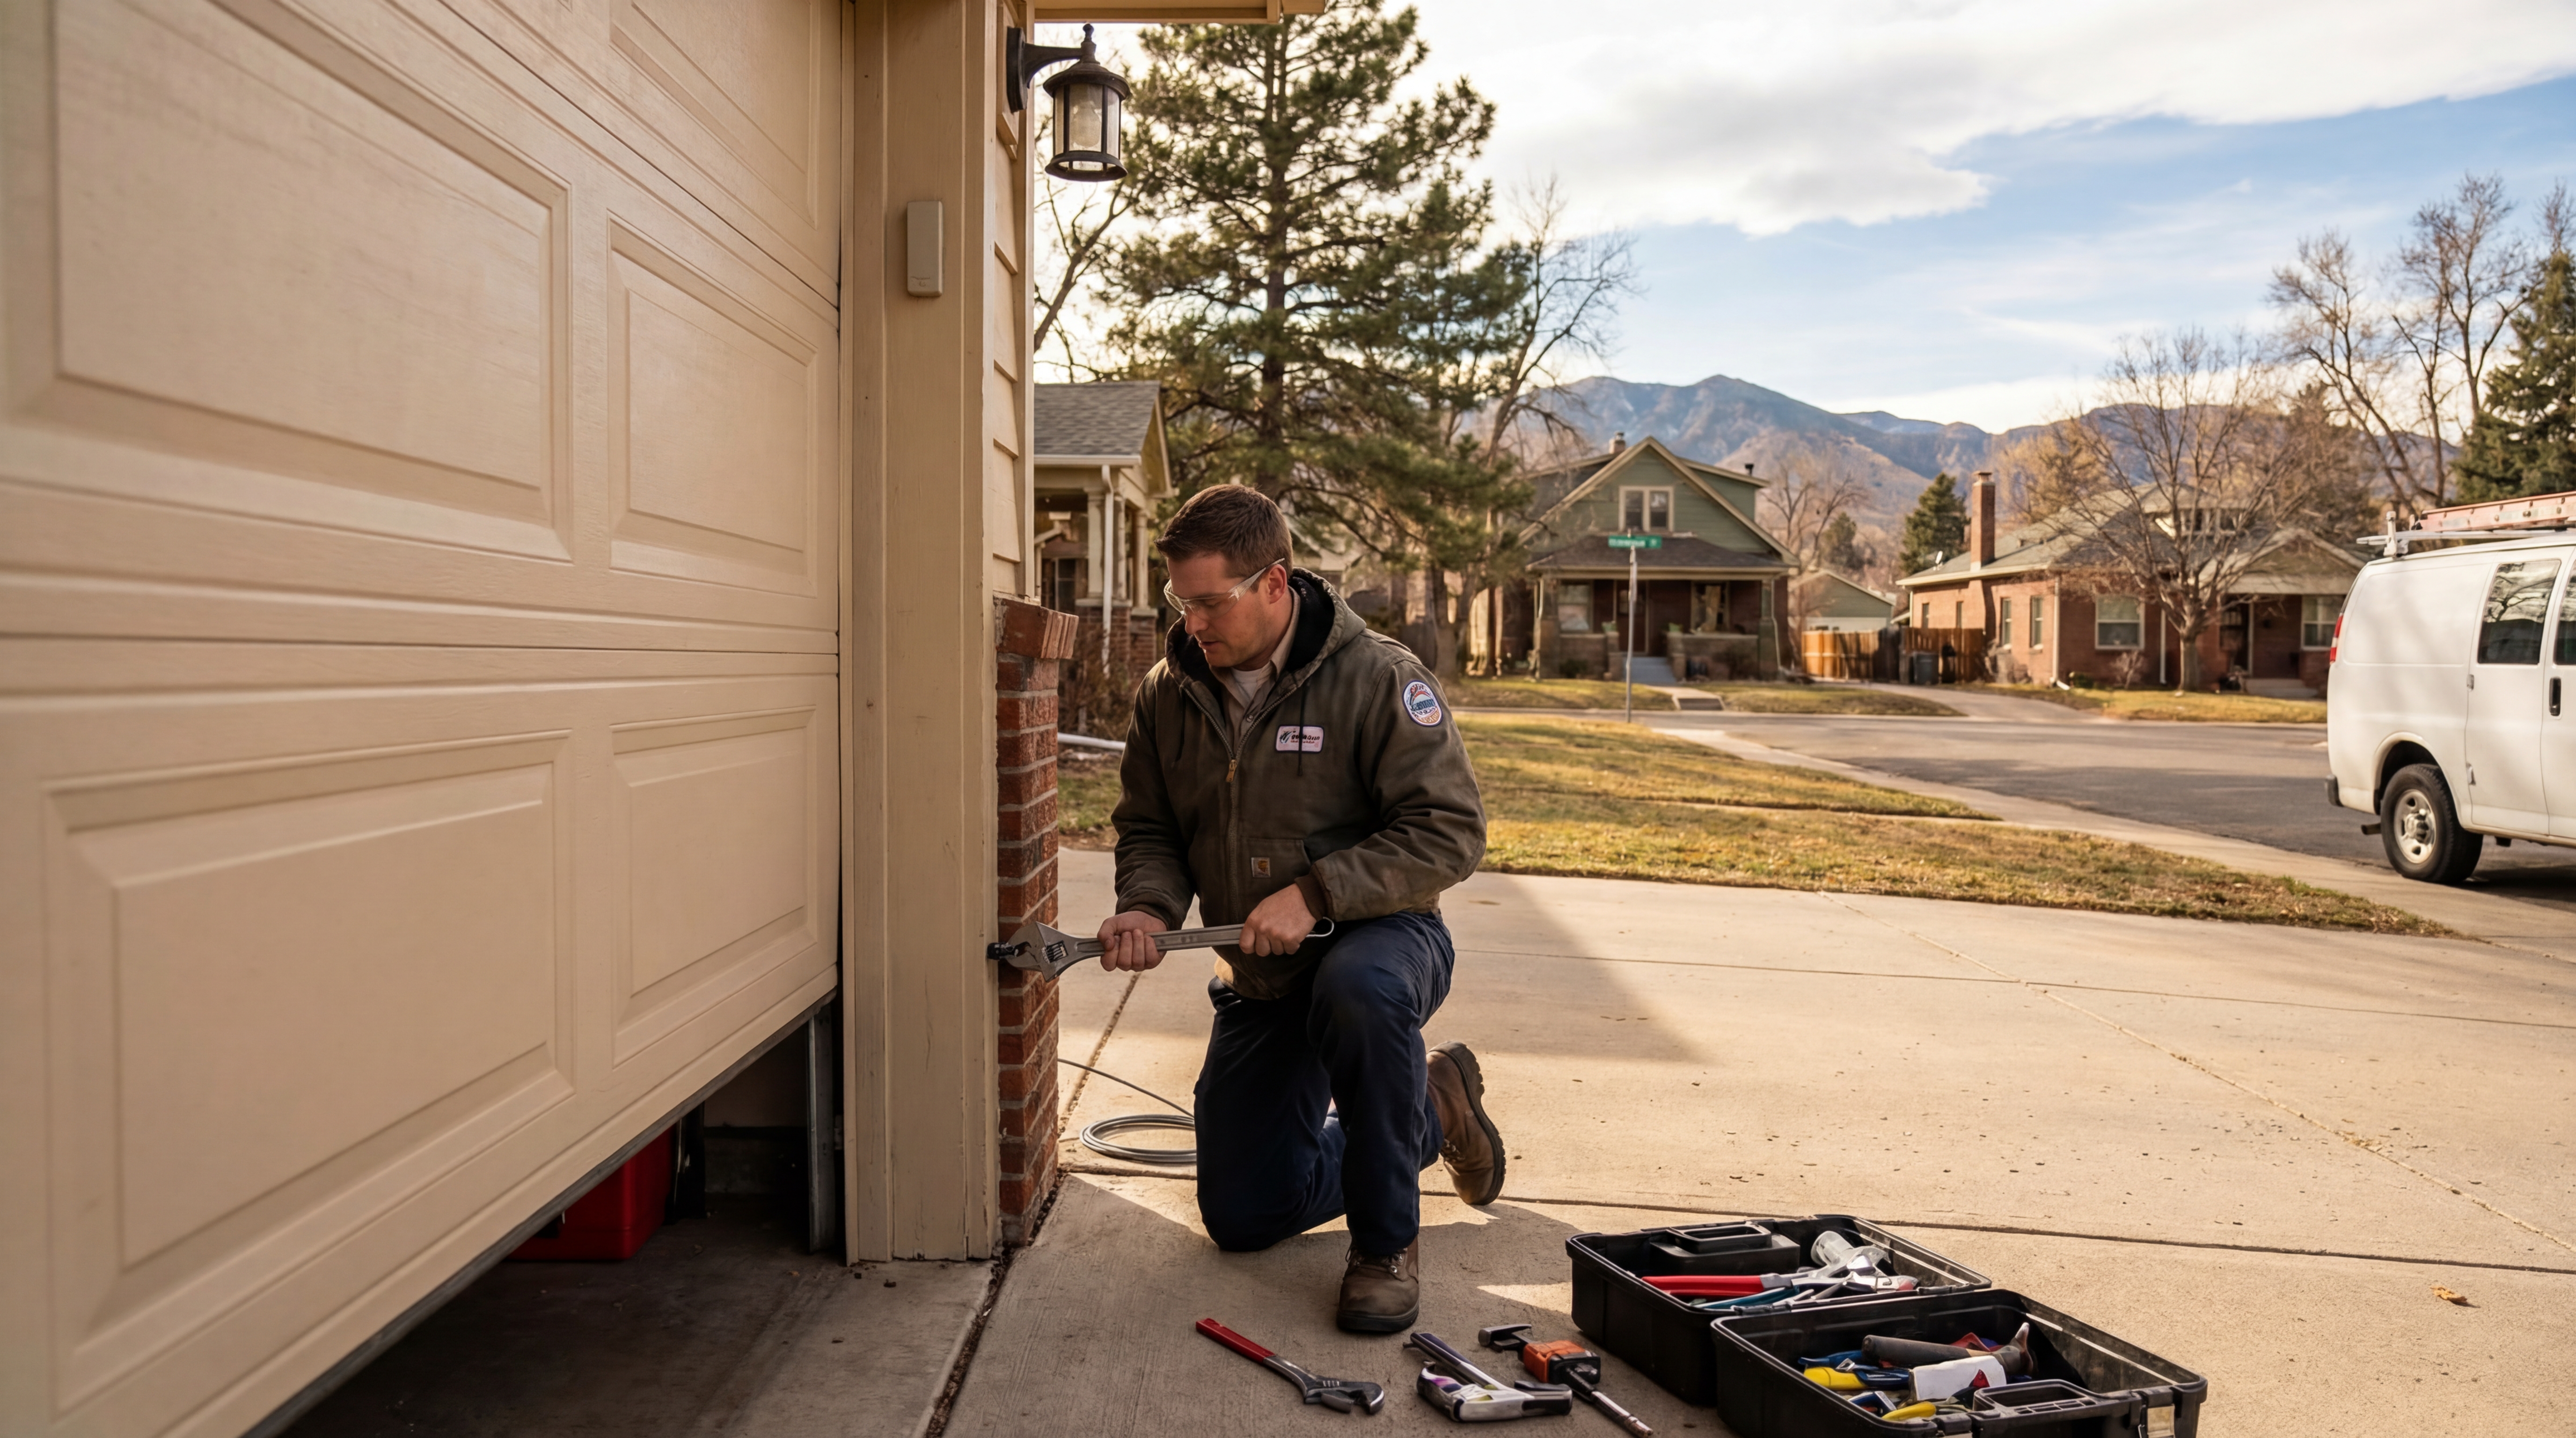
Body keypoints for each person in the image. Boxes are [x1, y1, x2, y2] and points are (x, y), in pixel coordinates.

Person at [1098, 484, 1502, 1333]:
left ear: (1275, 583)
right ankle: (1434, 1108)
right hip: (1263, 976)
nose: (1194, 623)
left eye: (1212, 602)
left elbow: (1451, 831)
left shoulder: (1380, 678)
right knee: (1244, 1217)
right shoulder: (1167, 694)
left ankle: (1386, 1243)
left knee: (1357, 992)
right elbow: (1150, 828)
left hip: (1383, 942)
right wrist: (1146, 904)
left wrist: (1319, 892)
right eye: (1182, 602)